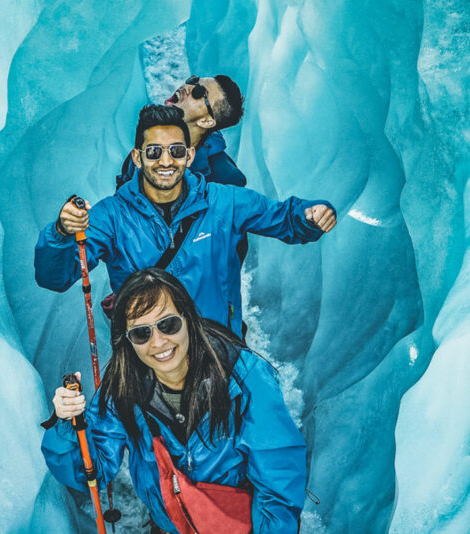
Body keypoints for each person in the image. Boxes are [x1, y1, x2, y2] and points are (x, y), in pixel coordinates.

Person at [41, 268, 307, 533]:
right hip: (172, 523)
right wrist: (68, 424)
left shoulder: (245, 377)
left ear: (188, 318)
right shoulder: (122, 386)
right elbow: (92, 471)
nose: (158, 342)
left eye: (168, 325)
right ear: (128, 340)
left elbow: (277, 484)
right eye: (141, 333)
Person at [34, 104, 337, 336]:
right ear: (137, 158)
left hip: (217, 354)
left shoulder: (224, 202)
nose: (165, 161)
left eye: (175, 151)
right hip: (149, 362)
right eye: (153, 152)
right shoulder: (111, 216)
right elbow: (56, 277)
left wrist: (309, 215)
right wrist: (61, 233)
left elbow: (281, 217)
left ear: (190, 156)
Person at [116, 75, 247, 189]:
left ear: (206, 121)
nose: (187, 87)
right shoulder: (150, 141)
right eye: (193, 80)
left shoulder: (224, 180)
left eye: (199, 92)